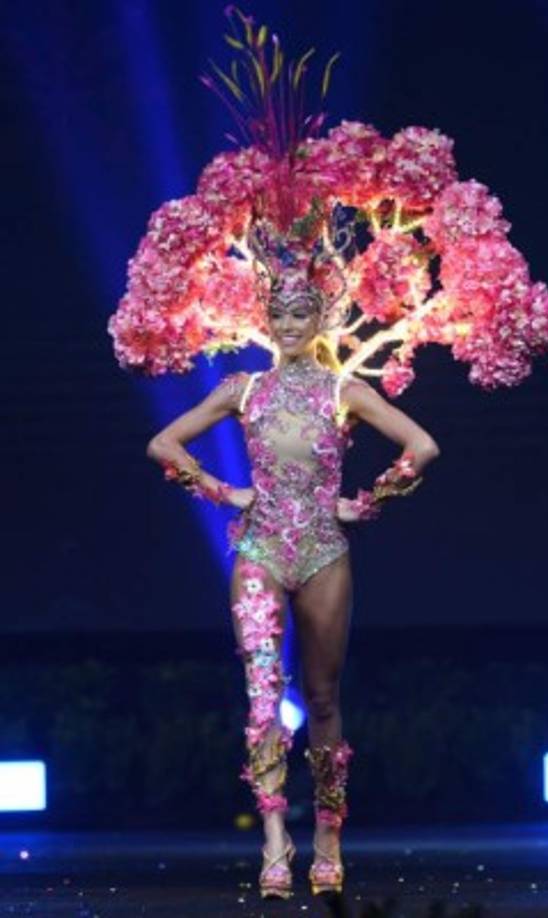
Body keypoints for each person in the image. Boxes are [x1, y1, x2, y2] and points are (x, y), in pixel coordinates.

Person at [145, 268, 441, 899]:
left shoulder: (343, 390)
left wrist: (367, 500)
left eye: (299, 317)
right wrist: (225, 492)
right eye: (278, 317)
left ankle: (329, 838)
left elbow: (422, 444)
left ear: (318, 323)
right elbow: (164, 444)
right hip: (258, 550)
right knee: (261, 698)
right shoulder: (243, 388)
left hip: (323, 553)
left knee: (324, 697)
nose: (287, 327)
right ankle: (275, 839)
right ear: (268, 322)